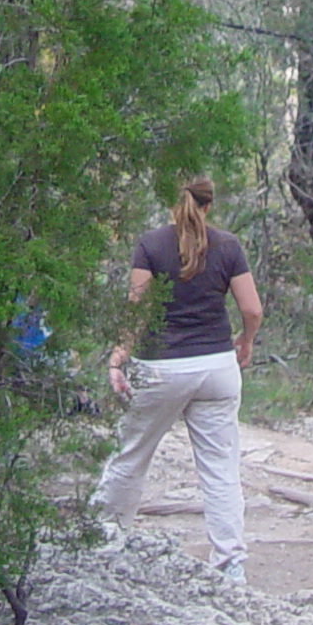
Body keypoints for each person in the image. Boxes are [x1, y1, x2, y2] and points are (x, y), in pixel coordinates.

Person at [95, 178, 262, 585]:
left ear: (172, 204)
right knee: (220, 468)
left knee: (130, 454)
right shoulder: (228, 247)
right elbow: (252, 308)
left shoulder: (151, 245)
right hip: (217, 367)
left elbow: (136, 311)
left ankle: (104, 542)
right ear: (209, 205)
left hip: (161, 366)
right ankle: (230, 563)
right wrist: (246, 341)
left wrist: (118, 359)